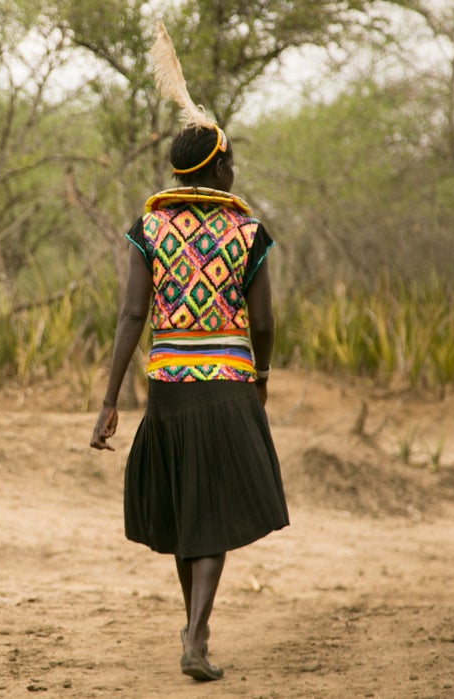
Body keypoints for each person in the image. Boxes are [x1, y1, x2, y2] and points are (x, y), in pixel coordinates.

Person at [88, 120, 290, 682]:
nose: (235, 171)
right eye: (232, 162)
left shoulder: (150, 229)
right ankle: (196, 633)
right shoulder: (247, 232)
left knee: (187, 507)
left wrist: (109, 401)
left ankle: (192, 628)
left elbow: (132, 315)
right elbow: (265, 321)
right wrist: (263, 373)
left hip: (170, 389)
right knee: (212, 510)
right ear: (217, 167)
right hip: (229, 385)